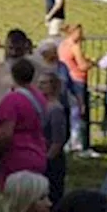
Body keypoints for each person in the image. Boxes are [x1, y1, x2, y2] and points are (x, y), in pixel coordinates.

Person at [0, 58, 48, 190]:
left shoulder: (12, 100)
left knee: (15, 202)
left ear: (12, 75)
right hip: (38, 152)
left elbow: (5, 134)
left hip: (16, 158)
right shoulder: (39, 97)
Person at [58, 25, 93, 151]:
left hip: (65, 78)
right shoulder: (75, 47)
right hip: (77, 78)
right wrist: (92, 63)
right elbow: (82, 65)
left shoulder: (62, 45)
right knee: (78, 109)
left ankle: (67, 140)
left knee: (68, 110)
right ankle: (77, 142)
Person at [38, 68, 70, 204]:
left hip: (52, 160)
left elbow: (58, 140)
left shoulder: (56, 109)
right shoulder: (40, 105)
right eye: (39, 83)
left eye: (44, 83)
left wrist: (47, 160)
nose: (40, 86)